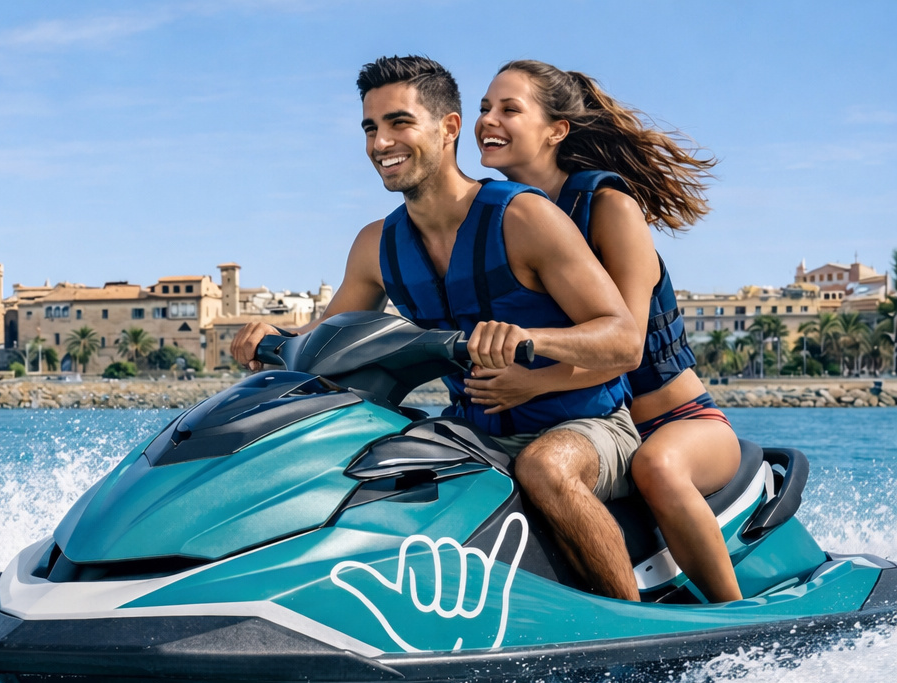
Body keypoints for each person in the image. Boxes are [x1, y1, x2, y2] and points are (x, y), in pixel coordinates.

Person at [231, 55, 644, 600]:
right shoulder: (376, 245)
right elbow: (323, 350)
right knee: (370, 457)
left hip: (589, 427)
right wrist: (274, 343)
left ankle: (629, 630)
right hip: (476, 430)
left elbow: (624, 340)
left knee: (545, 467)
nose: (381, 143)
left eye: (399, 123)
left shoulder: (523, 218)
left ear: (448, 128)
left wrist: (529, 341)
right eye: (371, 128)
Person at [467, 60, 741, 602]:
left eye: (508, 109)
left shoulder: (609, 207)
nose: (486, 120)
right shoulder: (505, 220)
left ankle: (733, 617)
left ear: (556, 130)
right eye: (483, 108)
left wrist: (534, 382)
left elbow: (625, 346)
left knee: (656, 467)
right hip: (589, 424)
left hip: (677, 420)